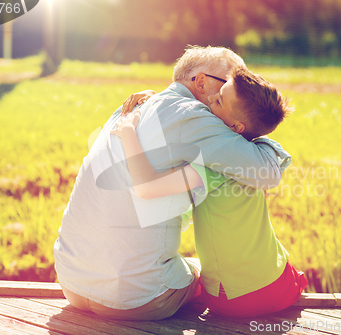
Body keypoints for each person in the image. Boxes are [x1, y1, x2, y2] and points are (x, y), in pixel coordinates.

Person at [54, 46, 289, 320]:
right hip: (134, 297)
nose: (238, 88)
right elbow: (267, 172)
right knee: (206, 273)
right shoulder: (193, 115)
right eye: (230, 81)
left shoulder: (131, 108)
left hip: (71, 282)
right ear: (201, 81)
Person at [113, 66, 307, 318]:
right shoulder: (254, 157)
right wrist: (161, 99)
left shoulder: (208, 169)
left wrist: (128, 131)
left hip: (230, 299)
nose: (208, 100)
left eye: (218, 100)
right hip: (276, 284)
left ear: (236, 126)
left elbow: (147, 187)